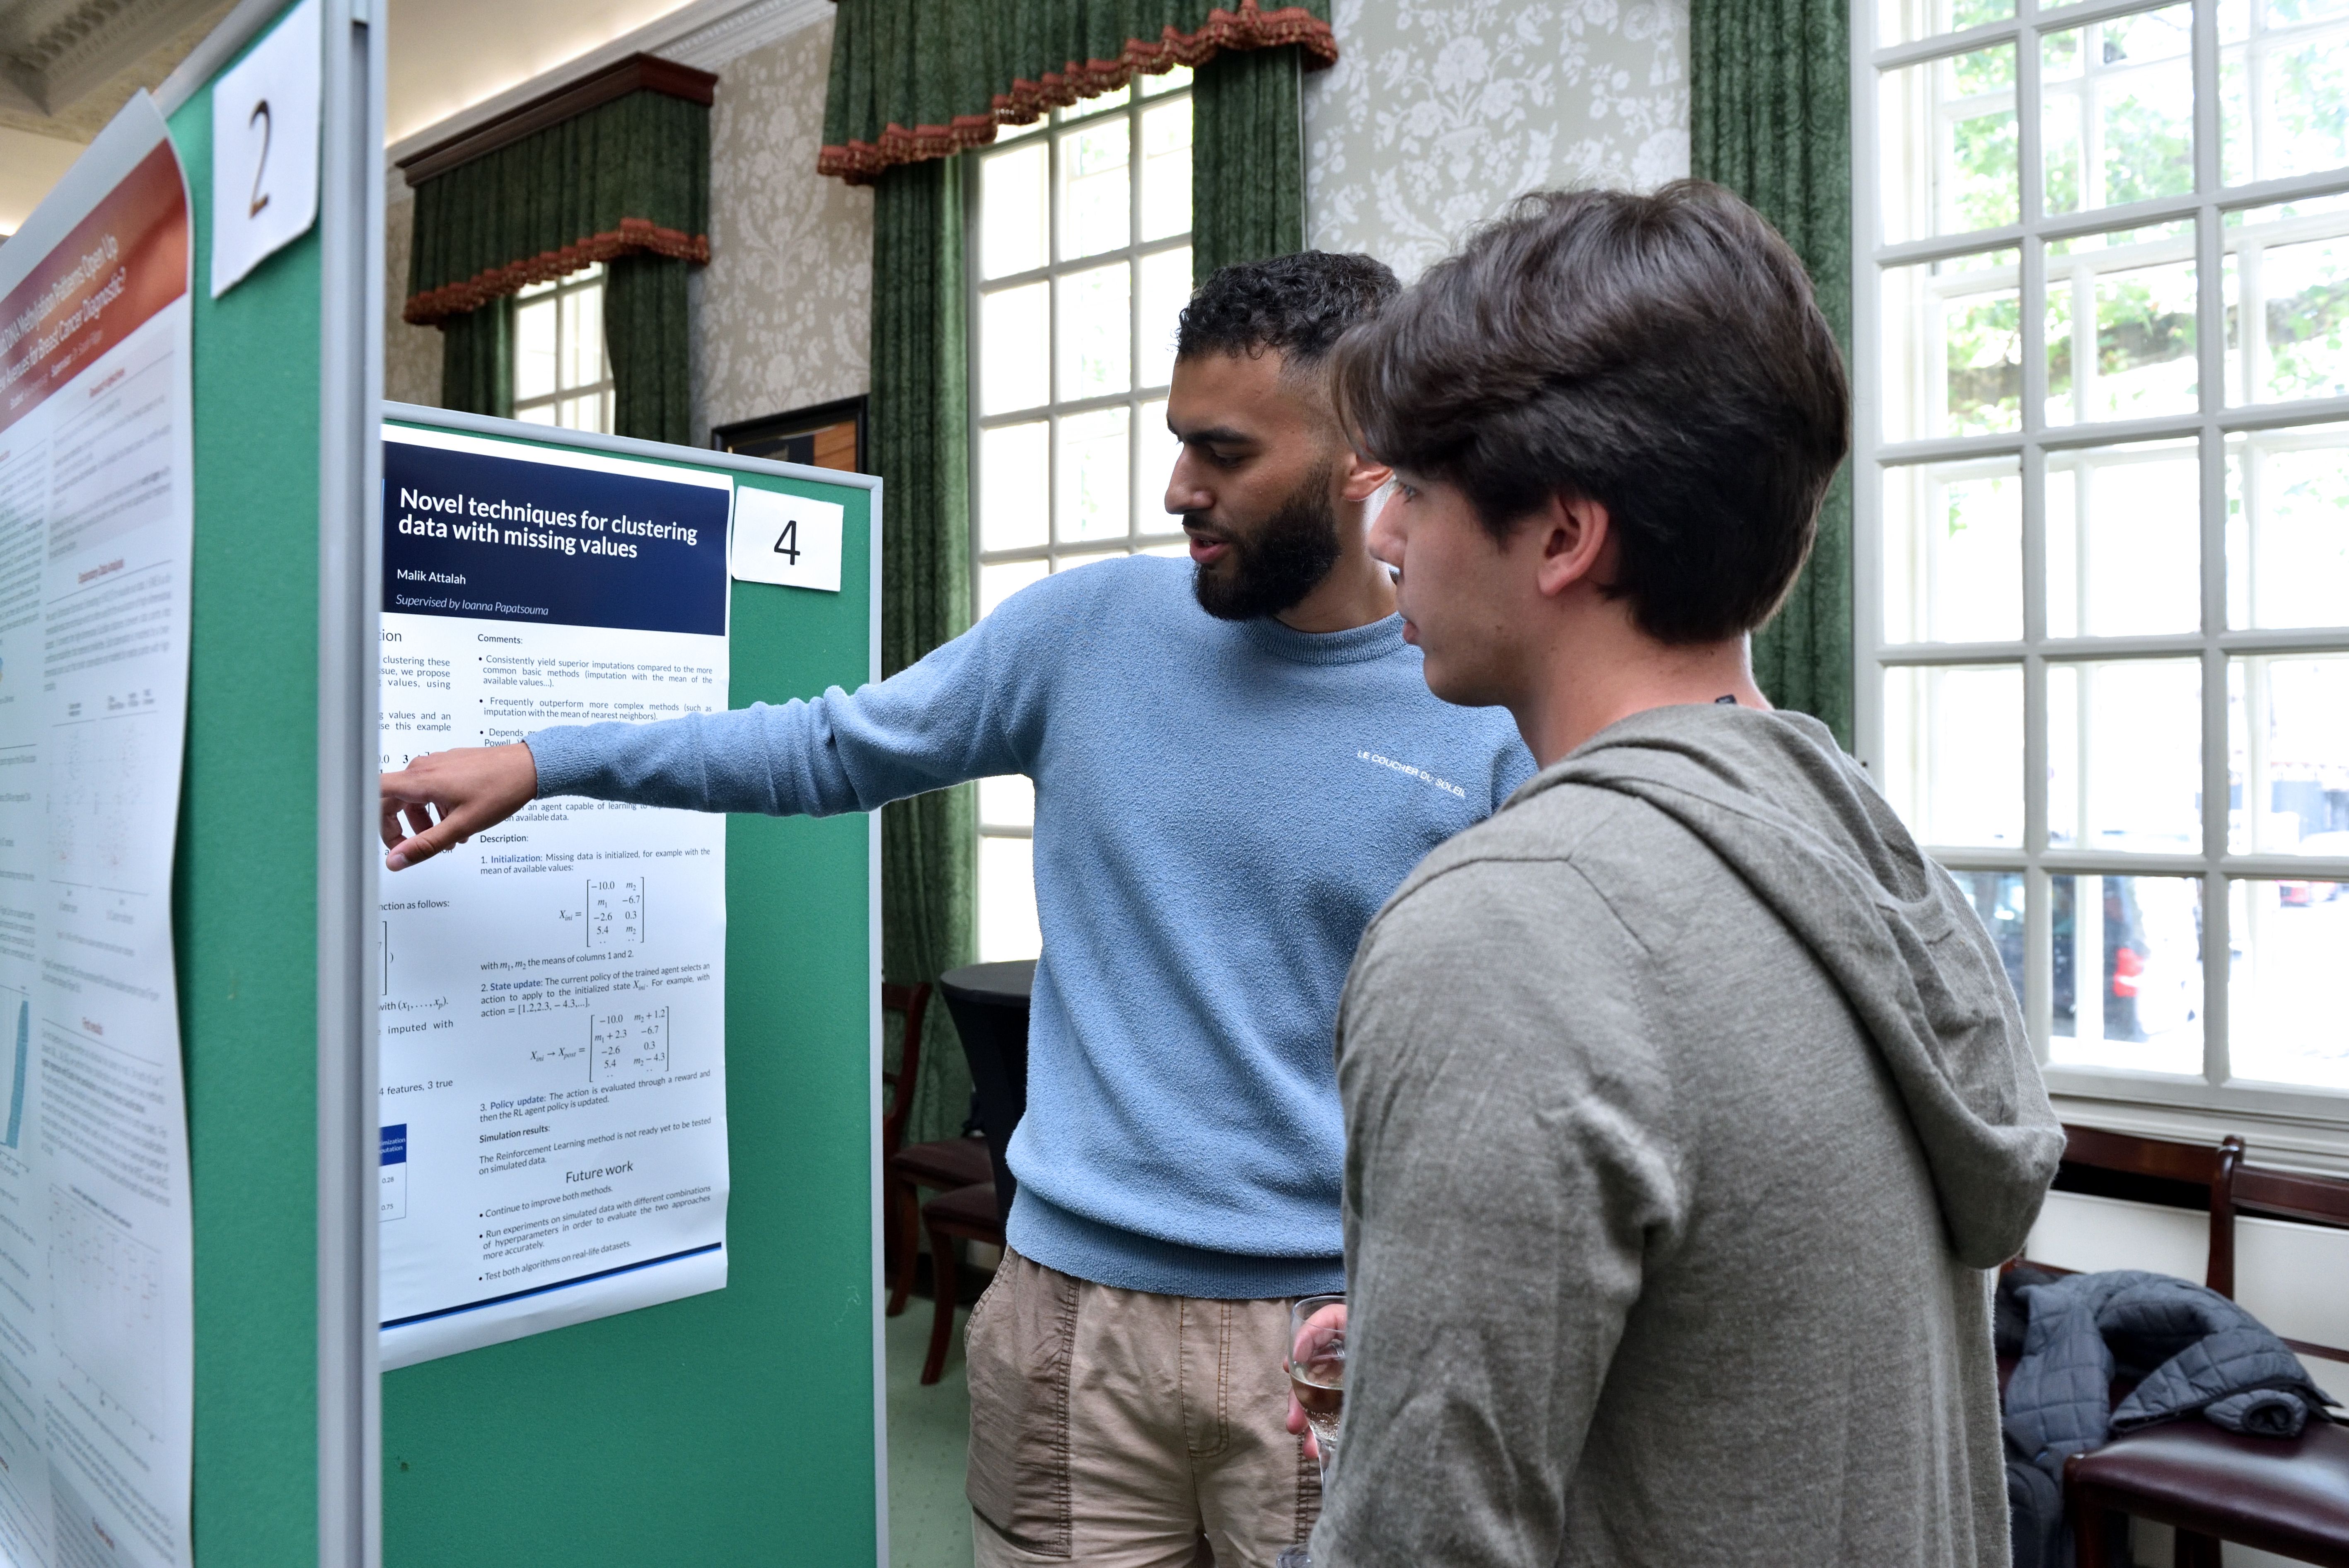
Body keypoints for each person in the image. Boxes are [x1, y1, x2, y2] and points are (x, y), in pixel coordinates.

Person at [379, 251, 1535, 1568]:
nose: (1178, 490)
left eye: (1222, 453)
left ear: (1364, 459)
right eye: (1175, 444)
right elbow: (824, 746)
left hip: (1331, 1341)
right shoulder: (1083, 631)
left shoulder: (1476, 706)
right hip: (1065, 1325)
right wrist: (546, 760)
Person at [1303, 184, 2064, 1567]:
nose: (1384, 535)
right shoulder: (1864, 851)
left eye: (1415, 486)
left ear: (1562, 535)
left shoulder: (1510, 926)